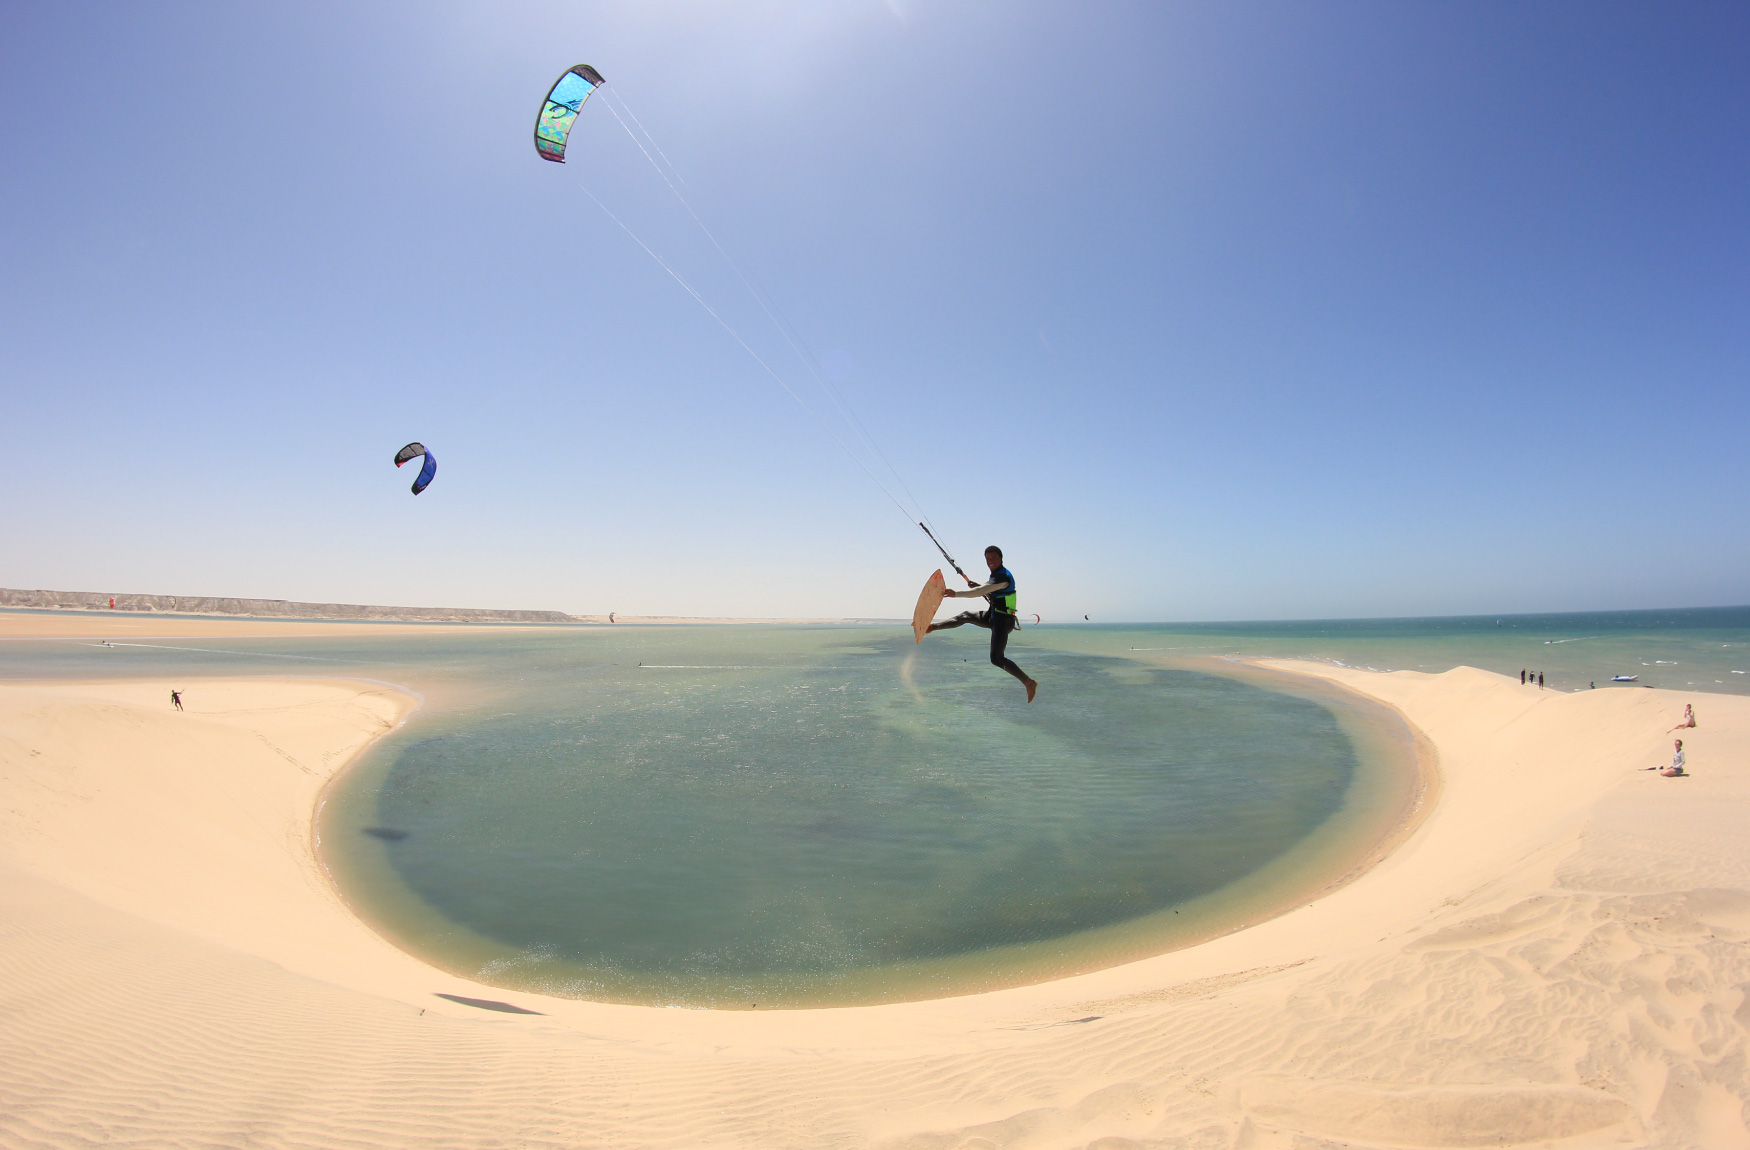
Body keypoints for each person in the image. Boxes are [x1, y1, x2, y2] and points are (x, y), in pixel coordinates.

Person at [927, 545, 1038, 702]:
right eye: (988, 559)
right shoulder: (996, 576)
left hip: (1003, 621)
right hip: (993, 616)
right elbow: (989, 589)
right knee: (965, 615)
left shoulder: (1003, 576)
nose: (990, 561)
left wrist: (956, 594)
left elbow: (983, 591)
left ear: (1001, 558)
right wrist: (979, 585)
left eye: (993, 558)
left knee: (996, 658)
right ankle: (933, 627)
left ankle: (1029, 682)